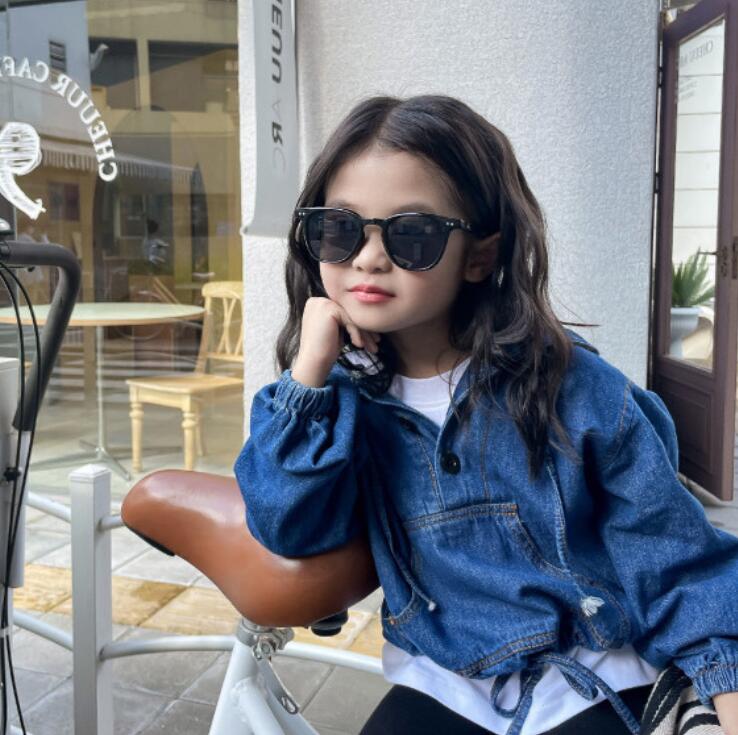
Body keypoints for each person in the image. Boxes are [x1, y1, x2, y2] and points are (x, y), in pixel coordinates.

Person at [233, 94, 738, 735]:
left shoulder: (580, 393)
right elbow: (286, 527)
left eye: (412, 233)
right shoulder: (335, 402)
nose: (368, 257)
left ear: (479, 255)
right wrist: (308, 372)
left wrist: (725, 692)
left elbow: (679, 565)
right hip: (444, 682)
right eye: (339, 228)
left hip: (589, 677)